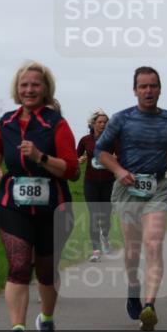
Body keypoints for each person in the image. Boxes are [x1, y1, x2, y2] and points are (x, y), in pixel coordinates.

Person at [0, 62, 79, 332]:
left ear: (45, 89)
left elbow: (72, 170)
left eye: (35, 85)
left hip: (54, 207)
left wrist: (40, 157)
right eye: (24, 85)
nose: (29, 90)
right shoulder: (7, 122)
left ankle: (47, 320)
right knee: (19, 265)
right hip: (12, 205)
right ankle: (17, 331)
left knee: (47, 271)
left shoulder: (57, 124)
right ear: (17, 89)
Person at [95, 67, 167, 332]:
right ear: (135, 90)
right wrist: (119, 170)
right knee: (132, 250)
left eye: (153, 86)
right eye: (143, 86)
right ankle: (134, 286)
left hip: (156, 186)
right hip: (128, 188)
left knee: (153, 242)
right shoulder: (121, 119)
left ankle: (150, 305)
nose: (148, 91)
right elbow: (100, 151)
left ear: (160, 89)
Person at [76, 110, 115, 261]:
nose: (103, 125)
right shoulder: (85, 140)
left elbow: (121, 155)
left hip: (108, 182)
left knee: (105, 215)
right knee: (94, 215)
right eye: (100, 122)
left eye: (106, 122)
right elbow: (76, 155)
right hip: (90, 182)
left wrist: (116, 158)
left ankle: (105, 236)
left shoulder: (112, 140)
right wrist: (78, 161)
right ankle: (96, 249)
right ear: (93, 124)